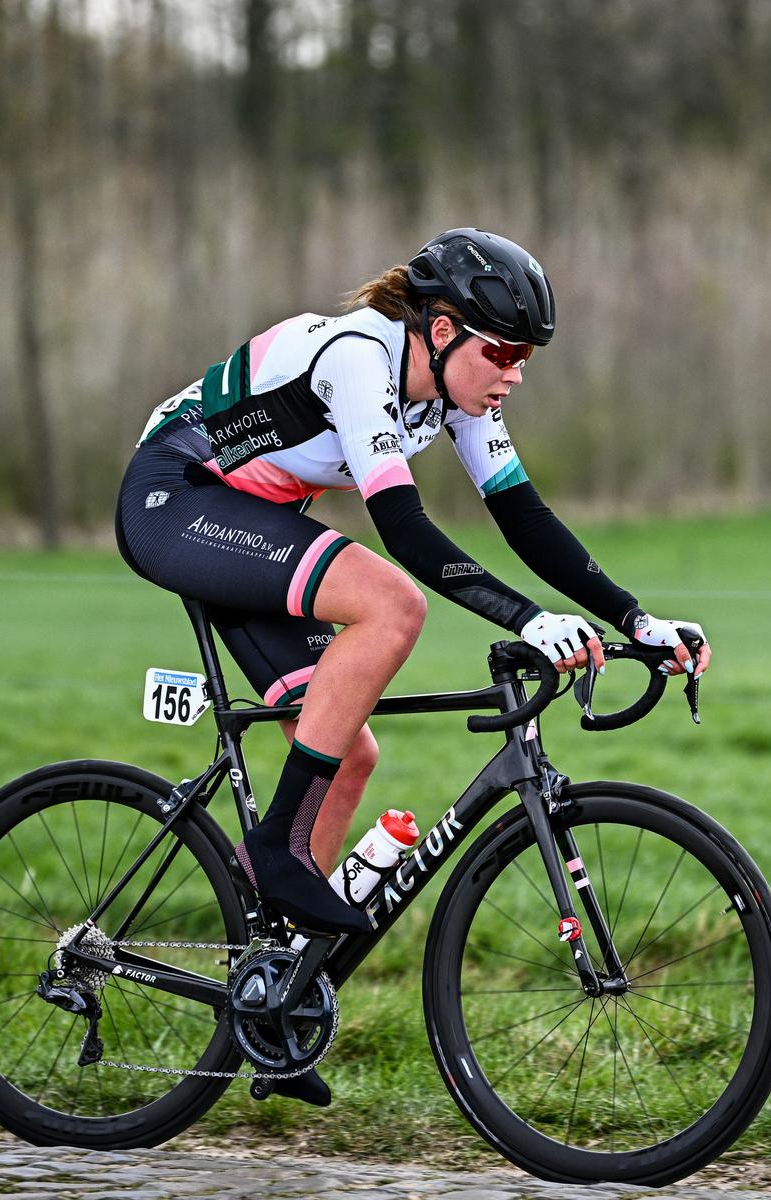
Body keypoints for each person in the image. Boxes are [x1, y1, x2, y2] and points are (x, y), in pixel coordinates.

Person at [115, 225, 711, 984]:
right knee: (393, 605)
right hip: (176, 499)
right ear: (439, 329)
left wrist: (637, 620)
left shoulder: (457, 397)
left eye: (524, 359)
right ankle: (275, 851)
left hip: (246, 519)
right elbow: (403, 530)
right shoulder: (359, 360)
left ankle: (273, 992)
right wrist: (528, 620)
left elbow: (525, 520)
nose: (515, 375)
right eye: (502, 353)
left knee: (348, 752)